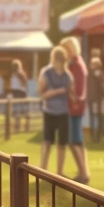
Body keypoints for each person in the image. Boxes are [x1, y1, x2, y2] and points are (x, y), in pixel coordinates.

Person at [38, 45, 73, 174]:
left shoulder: (67, 75)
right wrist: (57, 91)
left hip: (63, 112)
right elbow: (42, 93)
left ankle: (59, 172)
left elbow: (70, 92)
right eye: (59, 60)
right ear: (54, 59)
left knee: (62, 143)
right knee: (47, 141)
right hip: (49, 111)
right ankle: (42, 169)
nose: (61, 63)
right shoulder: (46, 73)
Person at [62, 37, 90, 184]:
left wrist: (73, 100)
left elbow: (76, 88)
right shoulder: (78, 63)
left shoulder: (76, 65)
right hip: (76, 106)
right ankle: (84, 170)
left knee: (72, 140)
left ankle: (83, 172)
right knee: (77, 141)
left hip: (74, 107)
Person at [87, 56, 104, 141]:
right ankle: (98, 136)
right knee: (99, 117)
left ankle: (94, 136)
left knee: (93, 117)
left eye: (92, 64)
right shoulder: (100, 74)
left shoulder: (88, 74)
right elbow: (103, 85)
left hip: (92, 98)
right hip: (98, 98)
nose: (91, 65)